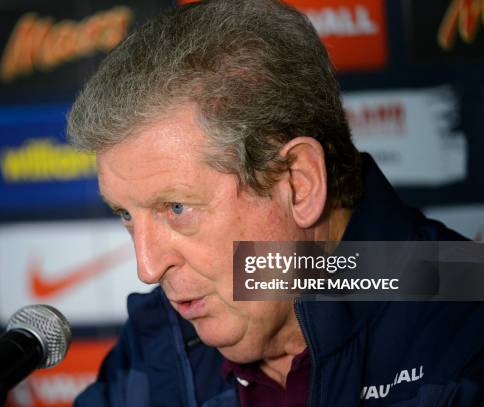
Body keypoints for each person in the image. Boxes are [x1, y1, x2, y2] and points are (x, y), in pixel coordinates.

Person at [67, 0, 484, 405]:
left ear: (298, 183)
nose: (148, 268)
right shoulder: (152, 344)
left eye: (176, 207)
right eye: (125, 214)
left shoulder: (468, 325)